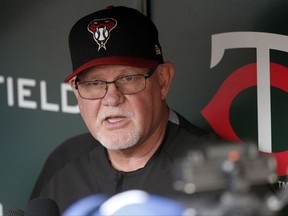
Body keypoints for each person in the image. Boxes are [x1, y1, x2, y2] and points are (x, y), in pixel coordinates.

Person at [30, 5, 218, 213]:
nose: (111, 98)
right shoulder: (63, 163)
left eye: (128, 78)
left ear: (163, 81)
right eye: (94, 83)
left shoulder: (215, 174)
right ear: (76, 91)